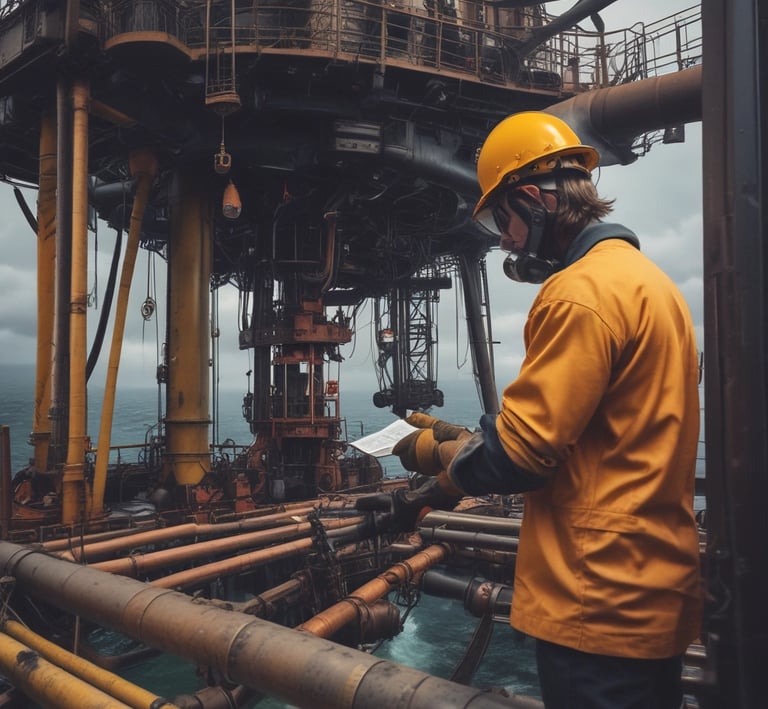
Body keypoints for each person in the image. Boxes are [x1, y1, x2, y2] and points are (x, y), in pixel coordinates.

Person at [385, 112, 703, 709]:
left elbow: (524, 454)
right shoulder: (654, 287)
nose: (502, 238)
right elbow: (603, 433)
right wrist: (460, 434)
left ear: (532, 200)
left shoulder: (578, 292)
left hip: (596, 598)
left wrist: (431, 487)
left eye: (500, 219)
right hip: (656, 591)